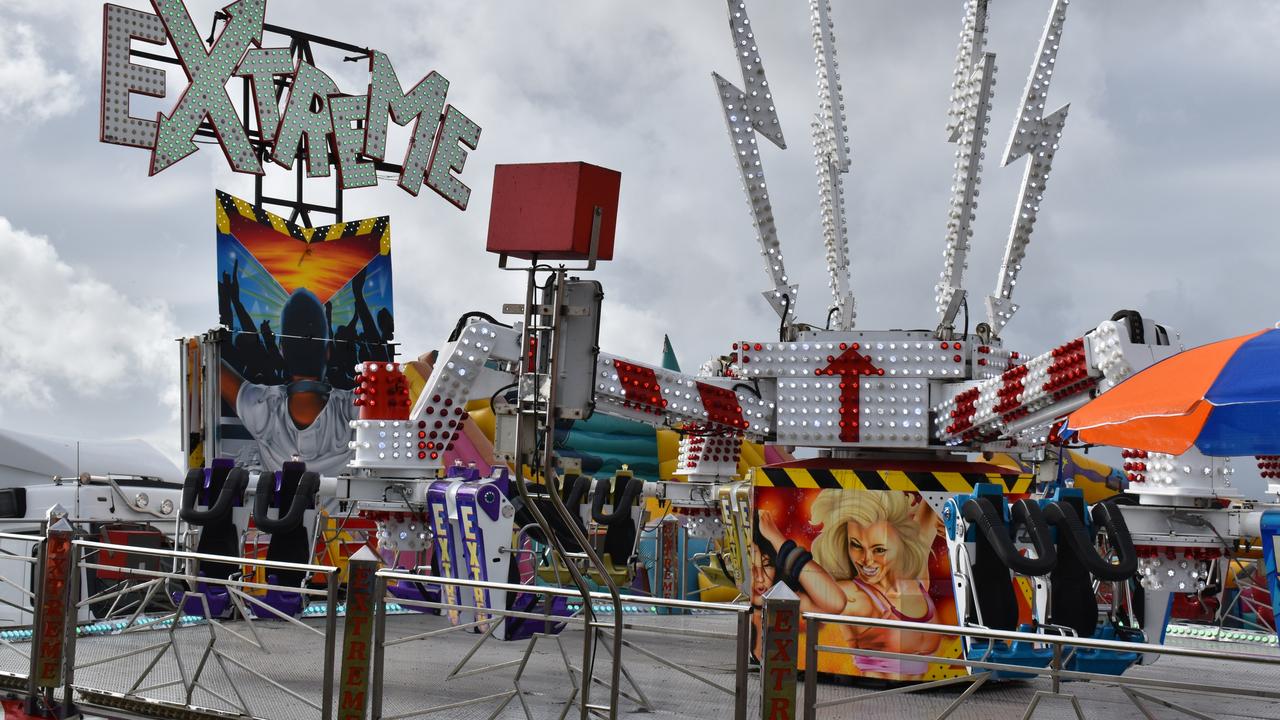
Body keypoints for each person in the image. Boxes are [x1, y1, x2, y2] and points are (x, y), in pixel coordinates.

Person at [758, 490, 943, 678]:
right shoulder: (856, 595)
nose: (866, 560)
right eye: (855, 545)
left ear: (901, 545)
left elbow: (933, 500)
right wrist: (777, 540)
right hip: (870, 698)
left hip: (918, 701)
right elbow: (833, 601)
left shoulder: (915, 579)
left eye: (879, 549)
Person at [220, 287, 356, 477]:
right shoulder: (355, 409)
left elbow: (214, 367)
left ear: (282, 350)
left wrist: (201, 345)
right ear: (327, 352)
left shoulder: (262, 408)